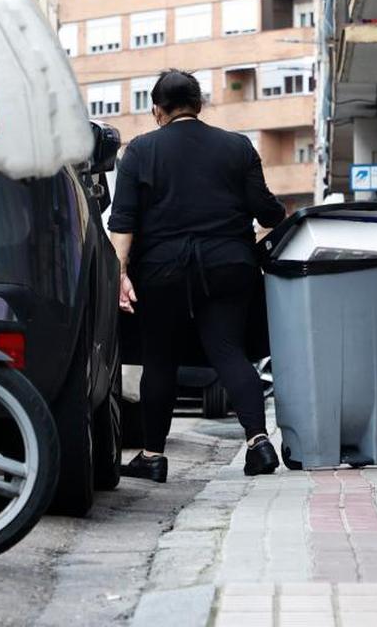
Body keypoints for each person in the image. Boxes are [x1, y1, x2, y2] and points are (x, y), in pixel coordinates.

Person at [108, 69, 286, 483]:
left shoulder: (139, 152)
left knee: (160, 359)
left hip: (161, 269)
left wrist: (120, 272)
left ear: (157, 110)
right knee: (228, 351)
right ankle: (259, 442)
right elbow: (267, 210)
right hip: (228, 264)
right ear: (199, 104)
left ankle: (152, 456)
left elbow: (123, 220)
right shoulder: (237, 147)